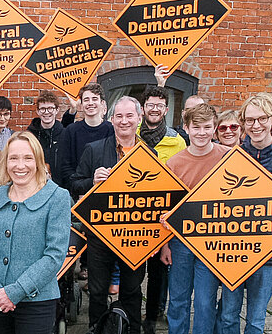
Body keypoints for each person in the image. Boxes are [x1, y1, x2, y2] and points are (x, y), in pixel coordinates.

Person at [0, 131, 70, 334]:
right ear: (5, 162)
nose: (20, 165)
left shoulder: (57, 198)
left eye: (28, 158)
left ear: (38, 161)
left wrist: (15, 292)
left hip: (37, 303)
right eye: (13, 158)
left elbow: (54, 256)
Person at [71, 96, 148, 334]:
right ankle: (97, 328)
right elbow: (74, 184)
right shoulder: (93, 150)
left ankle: (132, 329)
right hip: (100, 235)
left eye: (129, 116)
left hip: (134, 236)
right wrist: (92, 181)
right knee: (97, 290)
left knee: (132, 291)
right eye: (119, 116)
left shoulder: (149, 154)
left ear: (139, 118)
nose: (124, 121)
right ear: (111, 119)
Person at [158, 103, 230, 334]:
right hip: (180, 242)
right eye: (196, 127)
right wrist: (165, 245)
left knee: (204, 301)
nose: (202, 133)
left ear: (215, 128)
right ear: (186, 128)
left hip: (211, 241)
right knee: (178, 298)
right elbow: (166, 209)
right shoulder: (174, 163)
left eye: (207, 127)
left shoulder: (228, 158)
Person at [219, 92, 272, 334]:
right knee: (228, 315)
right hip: (234, 251)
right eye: (249, 120)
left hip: (270, 253)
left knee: (256, 319)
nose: (255, 125)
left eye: (261, 119)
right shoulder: (232, 156)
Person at [138, 85, 186, 334]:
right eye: (150, 105)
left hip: (162, 215)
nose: (154, 109)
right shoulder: (131, 133)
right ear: (143, 108)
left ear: (166, 109)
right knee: (133, 267)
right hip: (134, 213)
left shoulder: (177, 141)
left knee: (158, 270)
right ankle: (133, 312)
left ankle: (153, 316)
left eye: (159, 105)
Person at [58, 83, 114, 191]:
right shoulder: (71, 131)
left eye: (94, 99)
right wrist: (82, 186)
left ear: (102, 103)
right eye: (86, 100)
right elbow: (65, 167)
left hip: (106, 190)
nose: (90, 103)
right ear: (81, 104)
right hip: (77, 192)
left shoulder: (111, 130)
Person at [27, 90, 65, 186]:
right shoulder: (29, 135)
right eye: (43, 109)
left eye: (50, 108)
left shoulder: (64, 134)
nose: (46, 112)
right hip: (34, 185)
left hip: (60, 186)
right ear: (38, 111)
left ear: (57, 110)